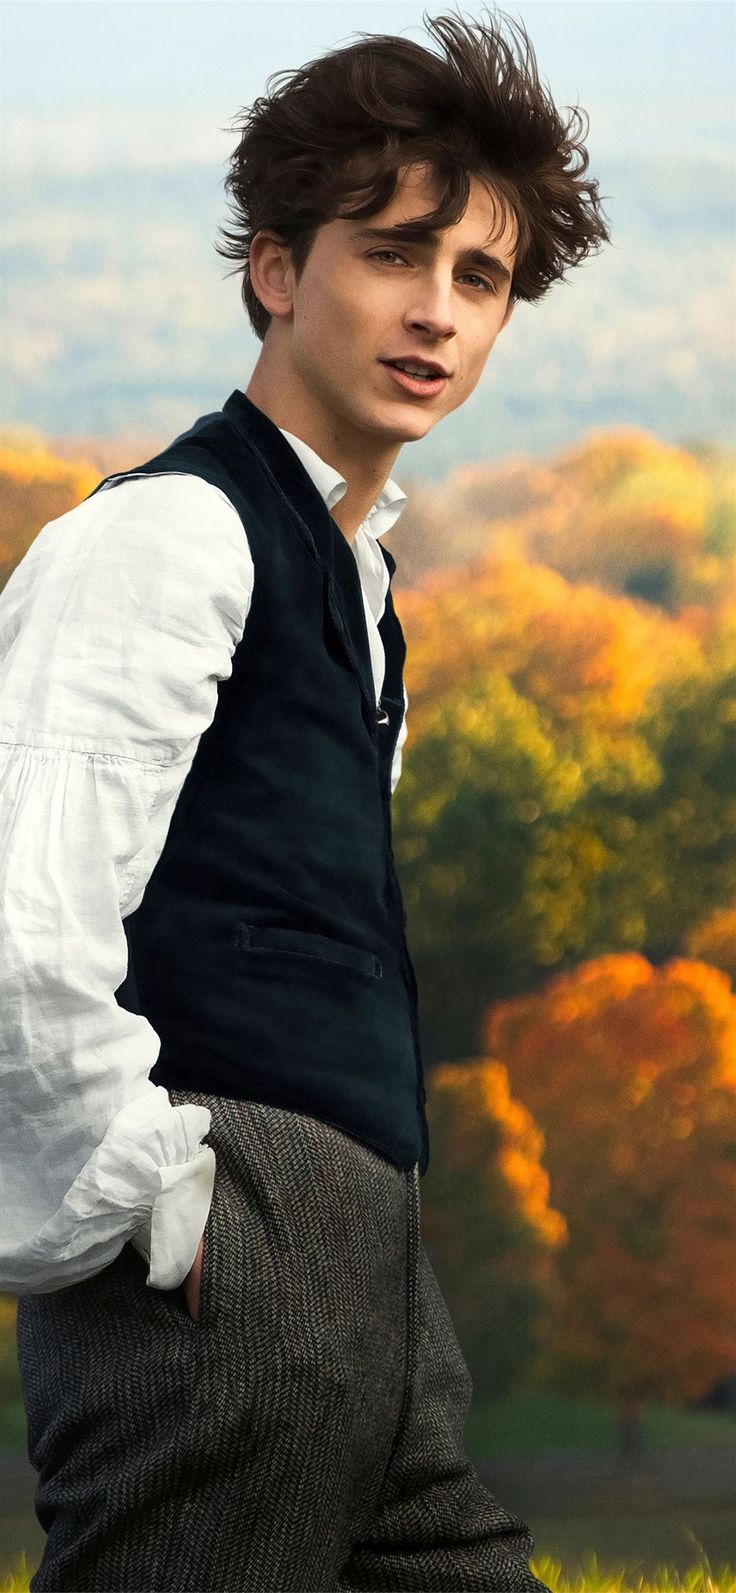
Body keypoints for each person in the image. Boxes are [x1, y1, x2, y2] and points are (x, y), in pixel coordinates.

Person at [2, 8, 611, 1589]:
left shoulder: (362, 586)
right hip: (220, 1266)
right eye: (394, 255)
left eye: (479, 281)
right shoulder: (165, 541)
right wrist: (166, 1210)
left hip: (372, 1286)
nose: (439, 314)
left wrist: (354, 1262)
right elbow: (21, 921)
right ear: (278, 269)